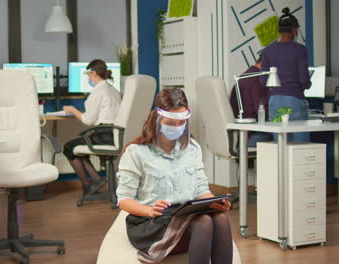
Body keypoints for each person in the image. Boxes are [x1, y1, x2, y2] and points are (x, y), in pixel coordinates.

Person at [116, 87, 233, 264]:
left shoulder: (192, 148)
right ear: (157, 118)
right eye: (171, 122)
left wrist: (213, 202)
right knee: (203, 223)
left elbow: (201, 188)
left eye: (182, 122)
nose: (177, 128)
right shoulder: (136, 152)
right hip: (152, 223)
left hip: (184, 215)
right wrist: (149, 210)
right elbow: (123, 199)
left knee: (220, 218)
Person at [62, 59, 121, 196]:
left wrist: (72, 109)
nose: (88, 78)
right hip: (114, 134)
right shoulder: (113, 90)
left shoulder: (98, 91)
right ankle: (96, 179)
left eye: (88, 75)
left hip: (103, 134)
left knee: (68, 147)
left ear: (94, 73)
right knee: (78, 148)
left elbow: (88, 120)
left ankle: (88, 184)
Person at [260, 7, 311, 142]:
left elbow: (263, 80)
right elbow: (304, 80)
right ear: (294, 30)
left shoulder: (267, 51)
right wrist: (308, 84)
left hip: (275, 103)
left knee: (280, 144)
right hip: (294, 101)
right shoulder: (300, 50)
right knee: (301, 146)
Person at [230, 55, 271, 147]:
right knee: (287, 137)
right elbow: (262, 111)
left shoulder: (246, 75)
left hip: (242, 135)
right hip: (252, 136)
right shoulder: (258, 78)